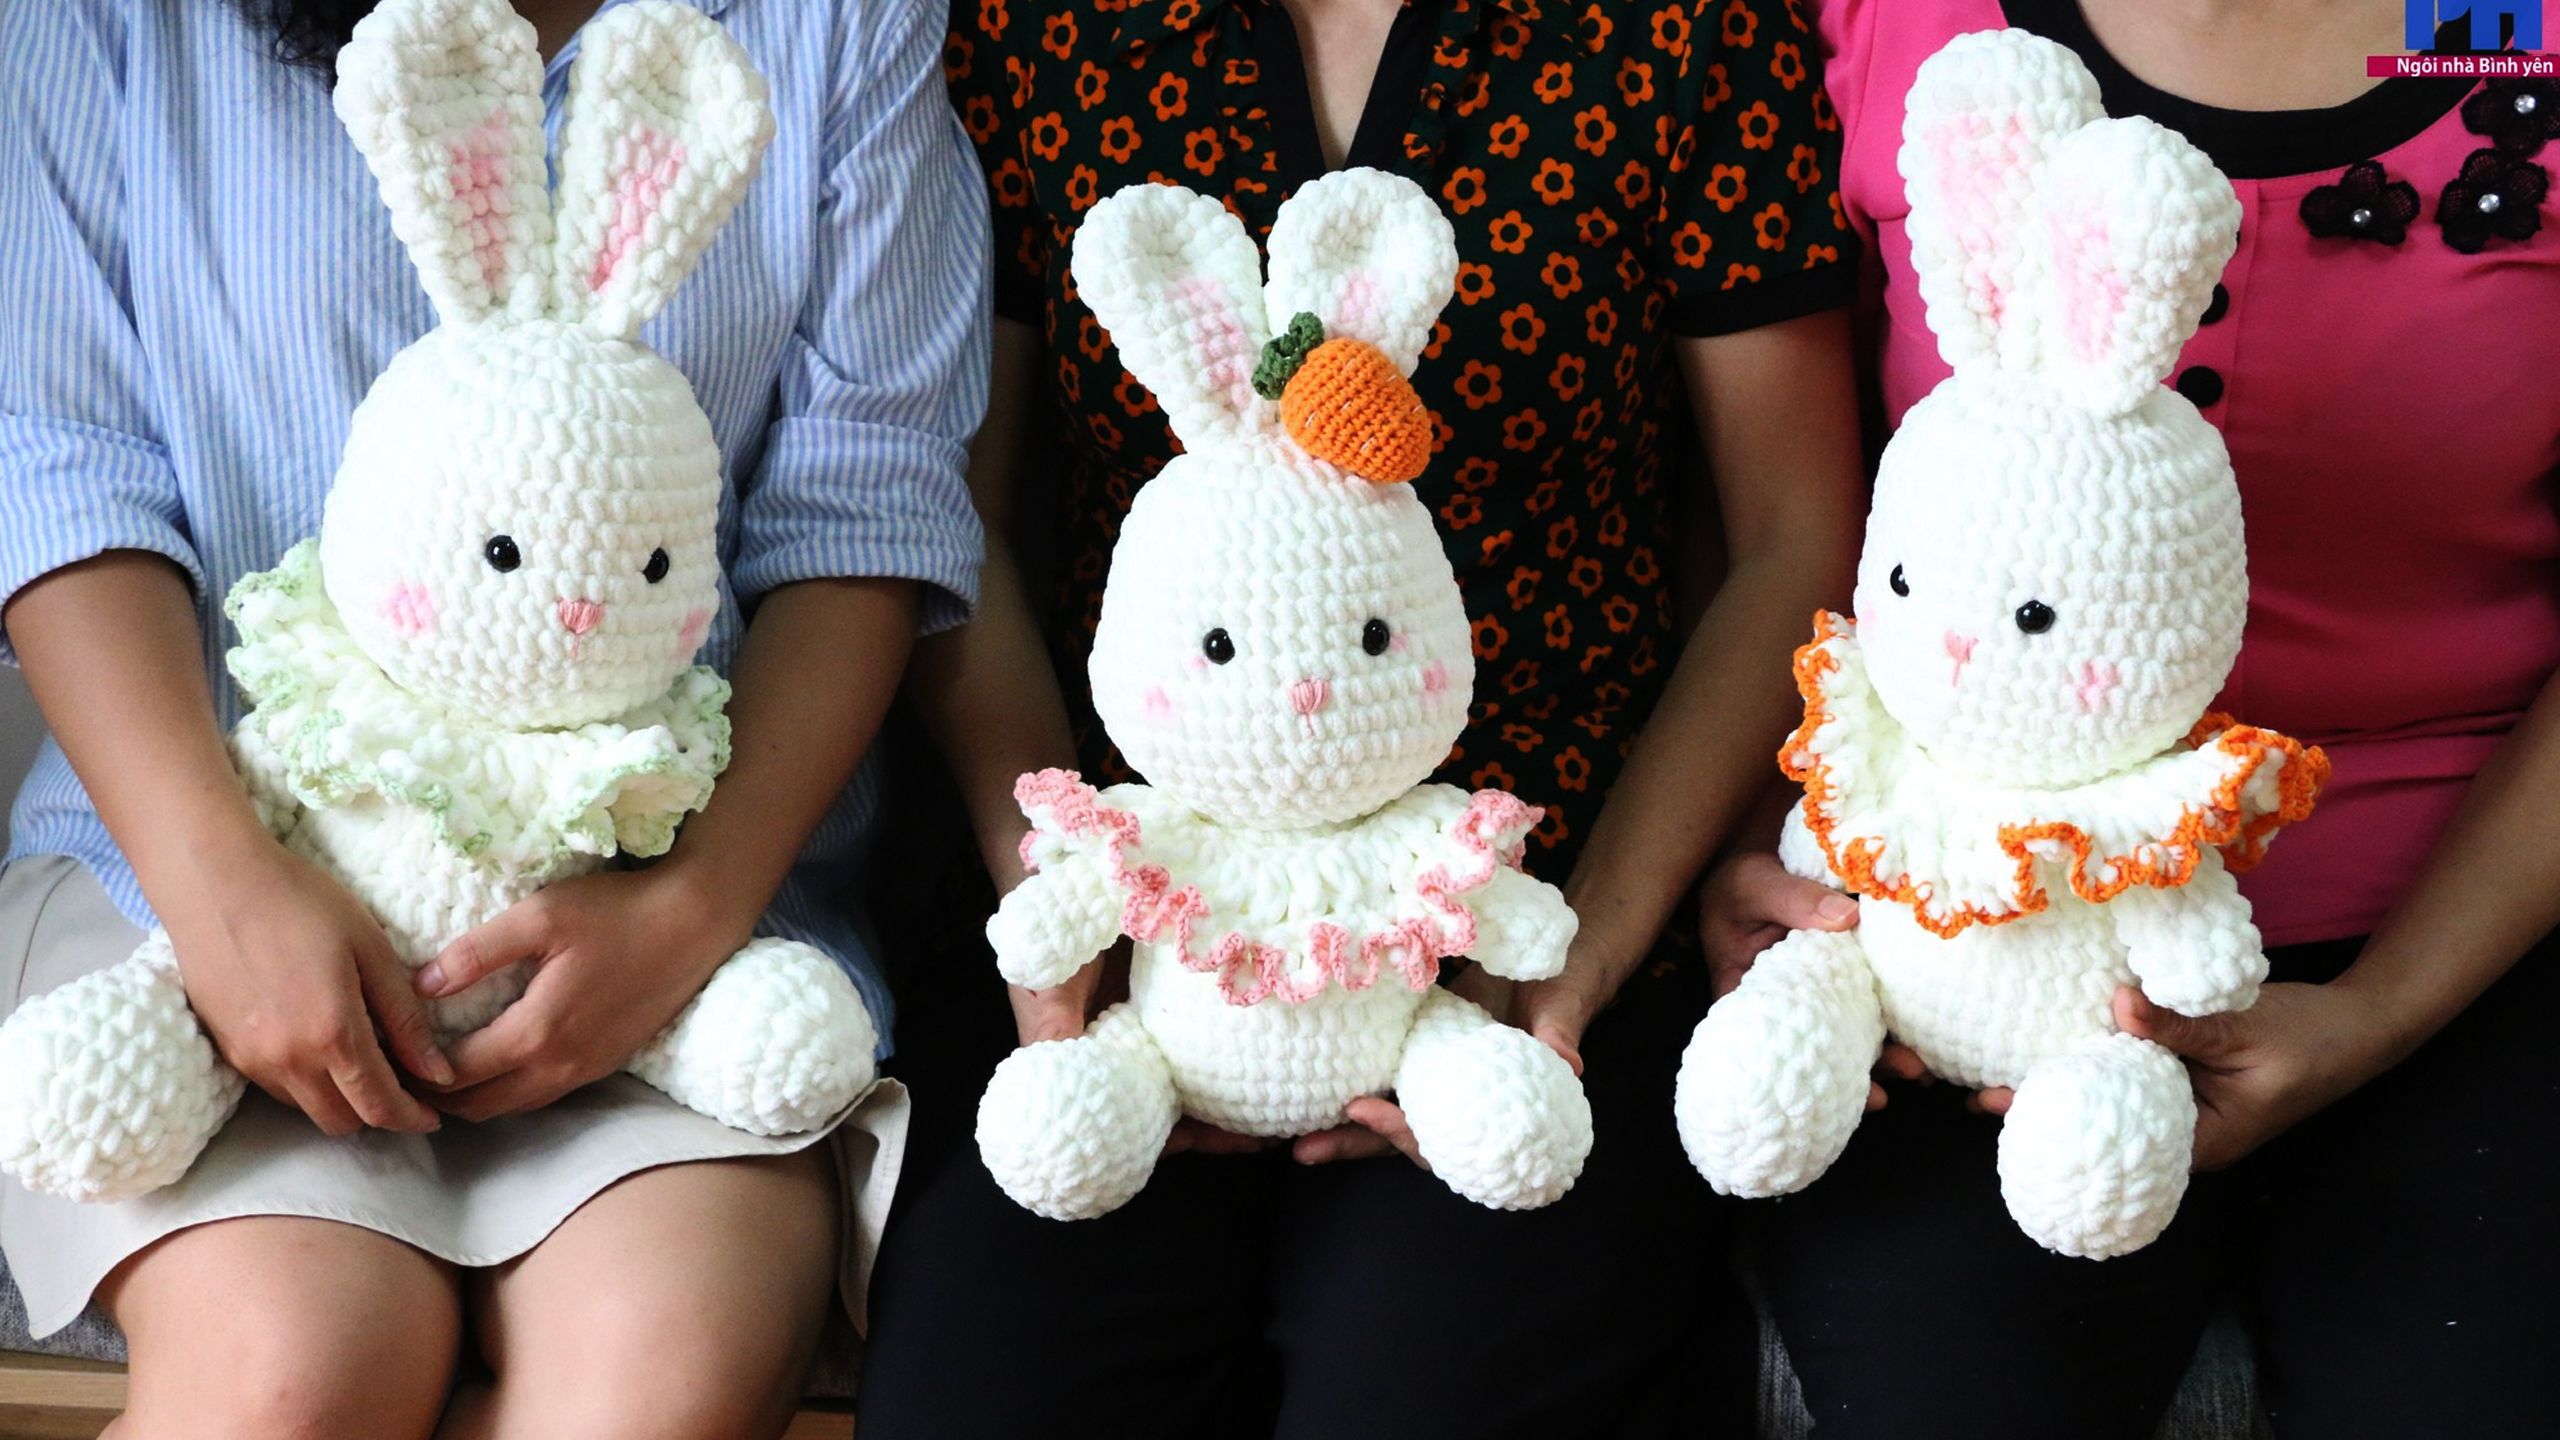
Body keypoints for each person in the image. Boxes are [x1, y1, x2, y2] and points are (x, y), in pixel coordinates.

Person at [862, 1, 1867, 1435]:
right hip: (1147, 929)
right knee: (989, 1377)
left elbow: (1794, 533)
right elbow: (950, 513)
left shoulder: (1688, 28)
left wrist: (1577, 959)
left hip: (1535, 925)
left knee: (1427, 1382)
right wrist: (1072, 924)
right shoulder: (1042, 24)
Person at [0, 1, 986, 1435]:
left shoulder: (842, 25)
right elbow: (56, 462)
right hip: (180, 872)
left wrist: (691, 908)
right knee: (290, 1374)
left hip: (676, 907)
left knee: (666, 1371)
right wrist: (222, 895)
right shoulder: (108, 25)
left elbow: (865, 502)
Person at [1699, 2, 2560, 1435]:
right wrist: (1774, 843)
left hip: (2465, 913)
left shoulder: (2503, 31)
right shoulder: (1888, 25)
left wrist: (2382, 1011)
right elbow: (1770, 505)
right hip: (1977, 918)